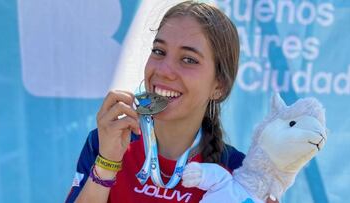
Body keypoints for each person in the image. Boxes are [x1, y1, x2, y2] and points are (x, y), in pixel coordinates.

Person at [66, 1, 278, 202]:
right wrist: (107, 165)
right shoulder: (106, 143)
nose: (164, 70)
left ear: (219, 86)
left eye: (188, 59)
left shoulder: (239, 173)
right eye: (159, 51)